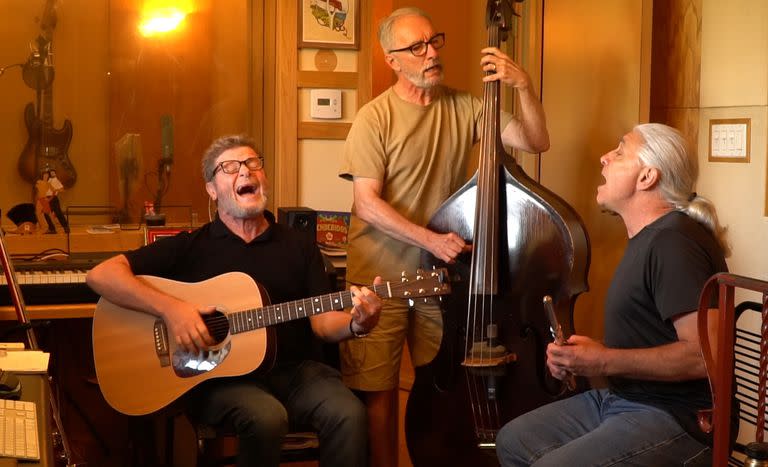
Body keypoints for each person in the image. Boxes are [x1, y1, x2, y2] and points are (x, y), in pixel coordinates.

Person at [87, 134, 383, 467]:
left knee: (349, 414)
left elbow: (324, 322)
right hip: (221, 380)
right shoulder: (192, 246)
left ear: (264, 178)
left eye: (252, 163)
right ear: (212, 190)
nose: (245, 172)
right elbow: (101, 275)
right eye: (229, 167)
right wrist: (173, 310)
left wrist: (357, 323)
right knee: (267, 418)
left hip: (294, 372)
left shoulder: (298, 246)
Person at [338, 7, 550, 466]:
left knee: (437, 382)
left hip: (439, 281)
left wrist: (523, 86)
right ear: (392, 60)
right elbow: (366, 204)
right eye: (417, 47)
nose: (431, 53)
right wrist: (429, 239)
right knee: (378, 393)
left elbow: (536, 141)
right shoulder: (373, 118)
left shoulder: (469, 106)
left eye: (435, 41)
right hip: (380, 279)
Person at [495, 123, 730, 466]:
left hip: (678, 416)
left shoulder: (675, 242)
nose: (604, 158)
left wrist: (603, 359)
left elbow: (704, 358)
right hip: (622, 398)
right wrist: (579, 358)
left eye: (619, 152)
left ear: (647, 177)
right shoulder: (649, 237)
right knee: (513, 441)